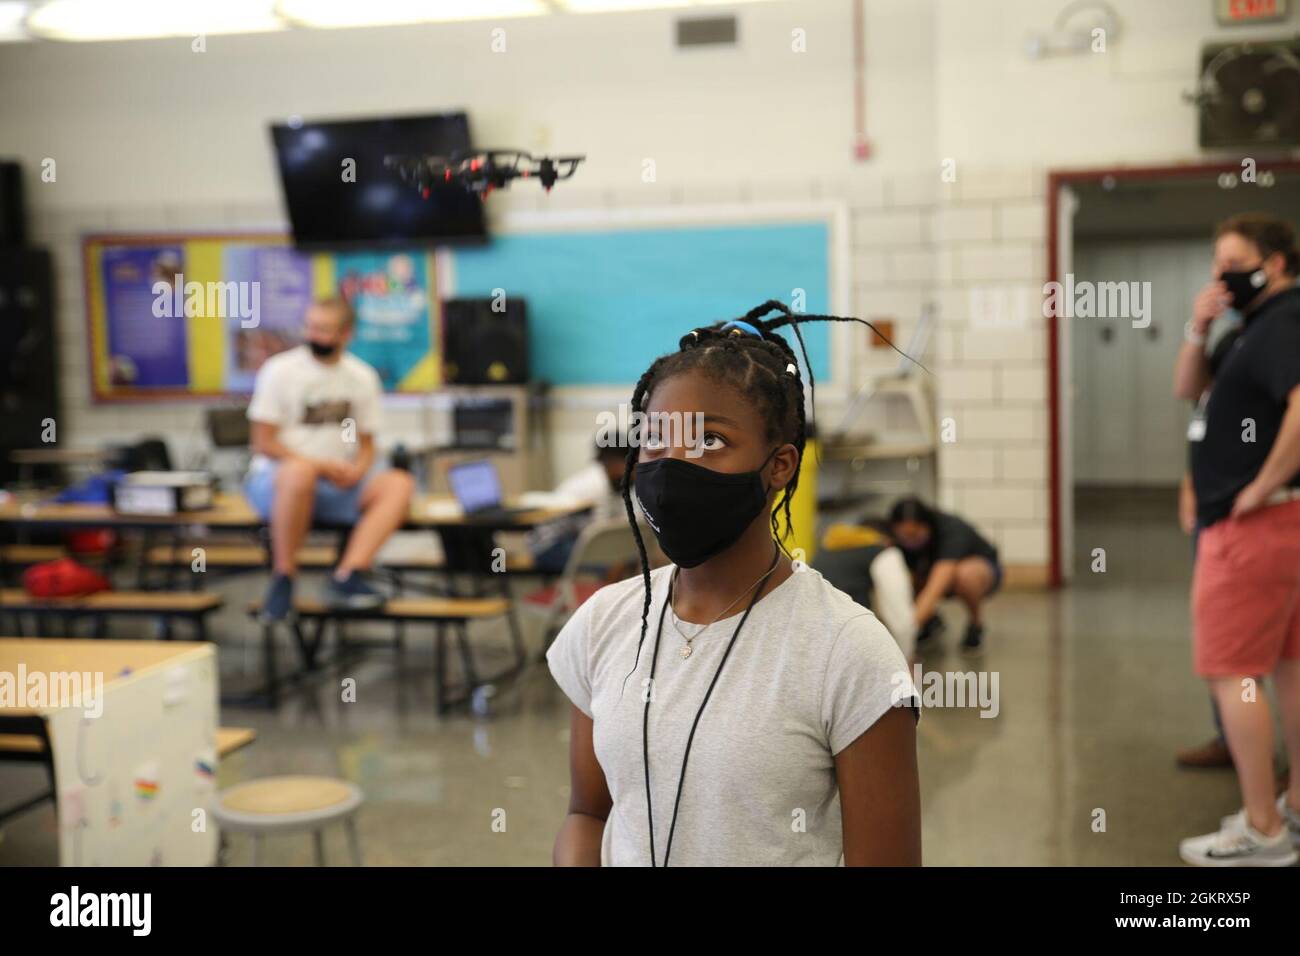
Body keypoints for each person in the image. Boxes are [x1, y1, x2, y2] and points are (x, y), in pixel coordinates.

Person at [546, 302, 922, 866]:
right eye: (656, 440)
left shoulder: (848, 652)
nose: (673, 466)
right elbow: (587, 815)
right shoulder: (603, 623)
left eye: (710, 441)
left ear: (781, 465)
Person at [1176, 213, 1300, 866]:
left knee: (1235, 674)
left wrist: (1257, 490)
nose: (1221, 276)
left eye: (1233, 262)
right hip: (1275, 527)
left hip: (1254, 527)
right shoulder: (1247, 331)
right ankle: (1293, 812)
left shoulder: (1282, 323)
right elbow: (1186, 389)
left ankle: (1262, 829)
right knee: (1286, 668)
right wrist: (1199, 328)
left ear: (1274, 264)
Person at [244, 296, 415, 620]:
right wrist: (318, 465)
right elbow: (263, 442)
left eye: (324, 329)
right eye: (310, 327)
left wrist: (358, 470)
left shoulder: (361, 376)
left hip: (337, 483)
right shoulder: (280, 371)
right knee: (299, 473)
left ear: (346, 333)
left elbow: (366, 443)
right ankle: (283, 577)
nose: (314, 336)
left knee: (399, 483)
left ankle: (349, 574)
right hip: (279, 482)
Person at [887, 496, 1001, 655]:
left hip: (979, 572)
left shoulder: (952, 530)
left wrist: (907, 631)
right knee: (899, 574)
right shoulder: (892, 535)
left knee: (965, 575)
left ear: (926, 526)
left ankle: (976, 624)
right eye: (904, 536)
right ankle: (931, 621)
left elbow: (937, 584)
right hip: (929, 571)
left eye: (914, 534)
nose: (910, 540)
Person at [813, 518, 917, 660]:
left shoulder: (825, 549)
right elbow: (901, 620)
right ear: (888, 539)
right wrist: (906, 659)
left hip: (814, 644)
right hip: (851, 644)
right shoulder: (884, 552)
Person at [527, 438, 629, 574]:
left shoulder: (610, 481)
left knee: (625, 556)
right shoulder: (596, 485)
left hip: (570, 538)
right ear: (614, 462)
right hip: (549, 546)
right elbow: (599, 535)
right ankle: (603, 594)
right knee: (613, 563)